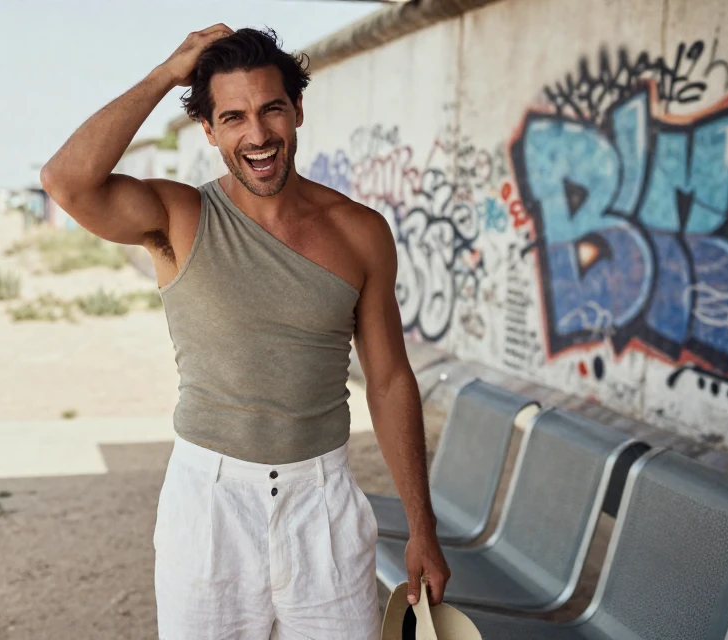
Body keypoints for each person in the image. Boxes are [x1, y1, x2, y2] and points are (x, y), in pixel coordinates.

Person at [40, 24, 450, 640]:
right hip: (208, 507)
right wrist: (166, 74)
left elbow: (389, 380)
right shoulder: (178, 217)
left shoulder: (360, 232)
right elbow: (66, 181)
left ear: (298, 110)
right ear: (208, 130)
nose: (257, 135)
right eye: (232, 117)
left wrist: (423, 527)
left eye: (271, 109)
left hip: (323, 507)